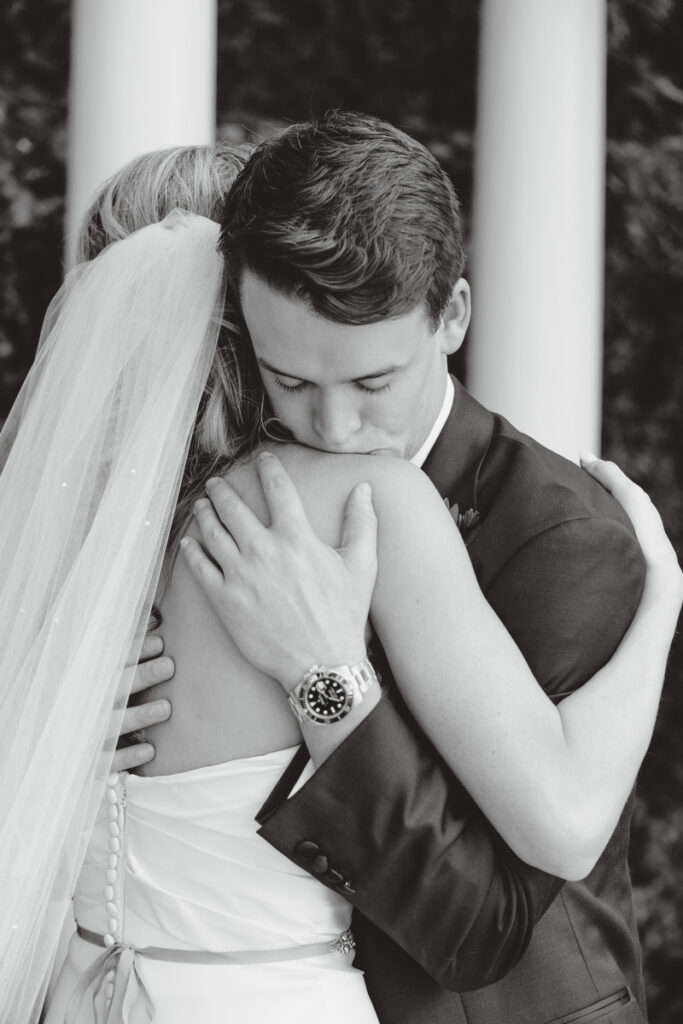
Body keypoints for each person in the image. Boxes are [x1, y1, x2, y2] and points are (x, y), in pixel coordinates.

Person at [0, 142, 677, 1024]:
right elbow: (548, 832)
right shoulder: (366, 499)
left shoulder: (59, 529)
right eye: (293, 376)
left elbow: (510, 893)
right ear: (251, 316)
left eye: (371, 379)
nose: (334, 420)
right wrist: (666, 605)